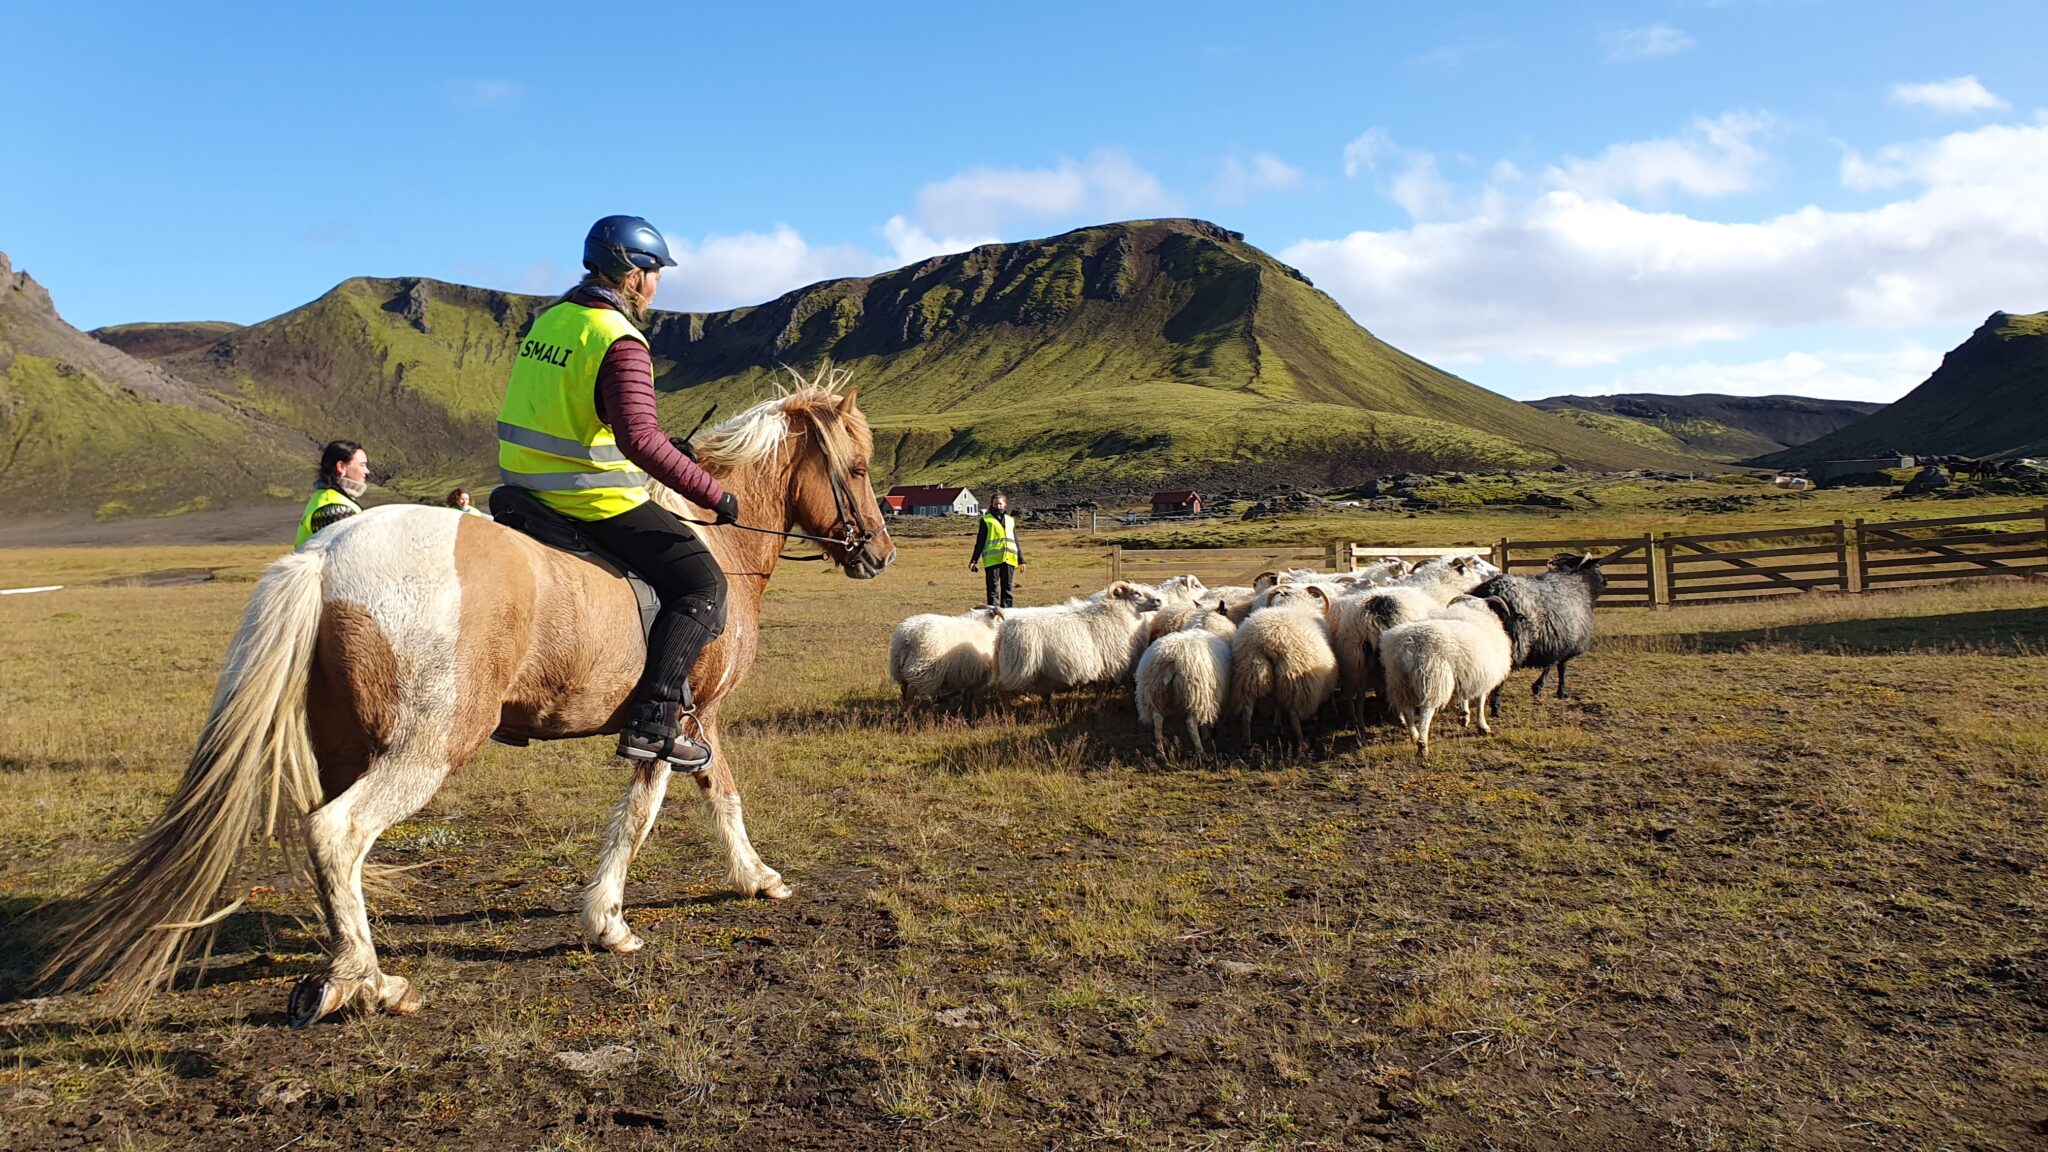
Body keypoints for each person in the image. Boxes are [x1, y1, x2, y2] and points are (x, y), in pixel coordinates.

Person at [495, 215, 738, 772]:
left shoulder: (551, 321)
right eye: (655, 274)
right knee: (701, 586)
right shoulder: (620, 338)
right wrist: (713, 494)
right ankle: (654, 721)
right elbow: (641, 441)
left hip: (521, 490)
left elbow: (566, 408)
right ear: (634, 274)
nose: (657, 287)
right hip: (589, 500)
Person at [295, 439, 368, 547]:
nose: (367, 471)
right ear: (341, 467)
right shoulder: (335, 509)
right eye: (362, 465)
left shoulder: (326, 497)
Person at [969, 491, 1024, 608]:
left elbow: (1015, 540)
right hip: (992, 560)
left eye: (1000, 504)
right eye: (995, 504)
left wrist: (1021, 560)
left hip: (1009, 559)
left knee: (1007, 588)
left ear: (1005, 504)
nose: (998, 506)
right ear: (992, 504)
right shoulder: (986, 520)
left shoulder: (1010, 520)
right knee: (993, 589)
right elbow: (980, 542)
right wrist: (974, 560)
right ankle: (993, 614)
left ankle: (1008, 614)